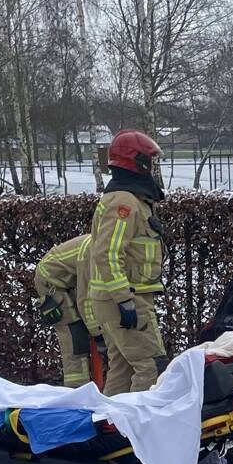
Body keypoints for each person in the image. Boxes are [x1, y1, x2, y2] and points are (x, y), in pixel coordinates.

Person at [86, 129, 168, 395]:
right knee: (151, 367)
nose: (153, 168)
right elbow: (107, 253)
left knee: (123, 368)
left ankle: (109, 429)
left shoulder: (129, 199)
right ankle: (140, 431)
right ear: (138, 163)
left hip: (116, 299)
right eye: (150, 161)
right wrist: (124, 300)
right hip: (126, 299)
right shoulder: (124, 202)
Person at [33, 233, 99, 388]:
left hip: (70, 281)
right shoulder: (92, 253)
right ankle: (76, 390)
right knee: (74, 337)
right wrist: (98, 334)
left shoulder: (106, 245)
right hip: (51, 282)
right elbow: (86, 299)